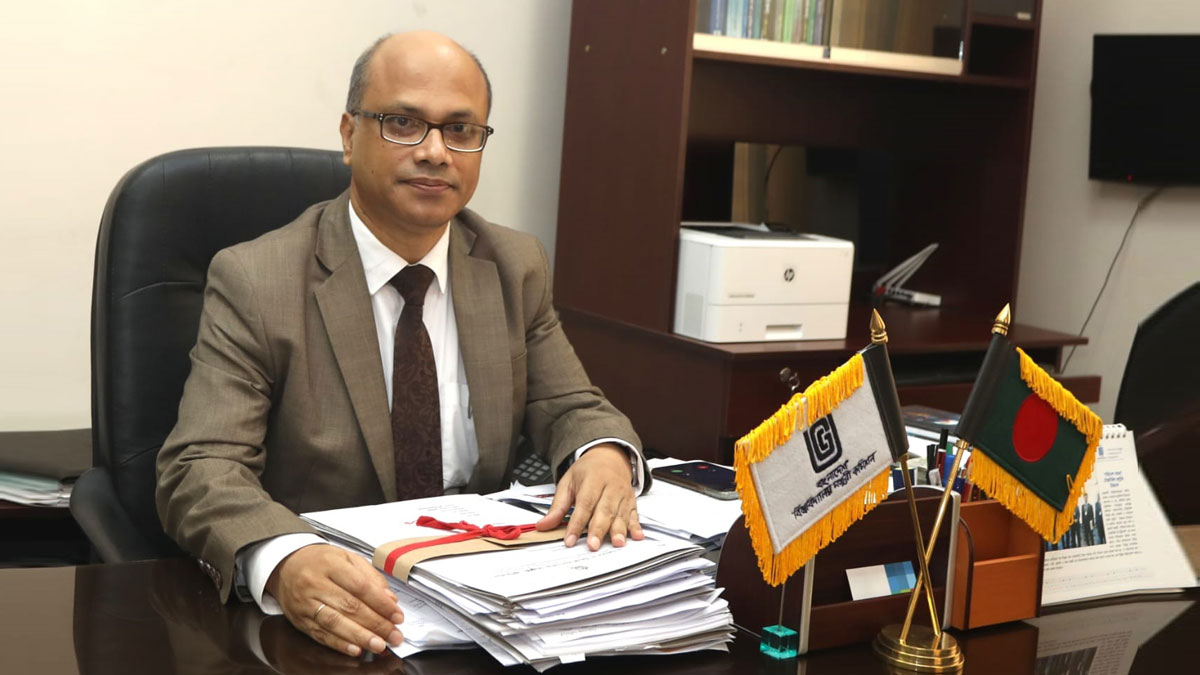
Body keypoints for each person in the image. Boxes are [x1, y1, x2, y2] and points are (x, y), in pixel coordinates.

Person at [156, 31, 649, 658]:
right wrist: (284, 558)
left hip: (484, 600)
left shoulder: (513, 265)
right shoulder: (257, 280)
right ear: (349, 135)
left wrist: (602, 453)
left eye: (460, 130)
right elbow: (201, 467)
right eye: (403, 123)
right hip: (334, 611)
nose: (435, 152)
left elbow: (572, 405)